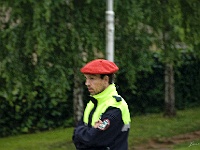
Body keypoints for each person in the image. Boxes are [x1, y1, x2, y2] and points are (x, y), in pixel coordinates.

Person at [72, 59, 131, 150]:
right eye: (86, 78)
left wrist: (84, 134)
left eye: (92, 78)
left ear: (105, 79)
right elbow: (76, 137)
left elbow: (92, 139)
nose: (87, 83)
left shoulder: (116, 106)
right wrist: (89, 133)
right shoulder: (92, 103)